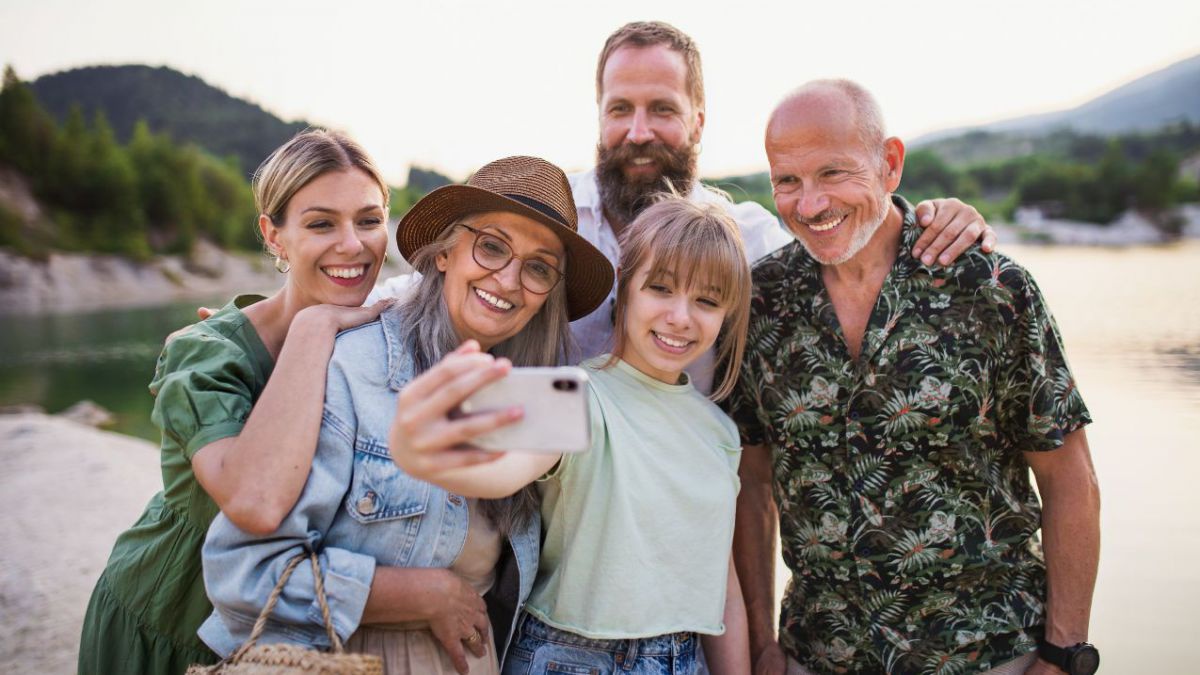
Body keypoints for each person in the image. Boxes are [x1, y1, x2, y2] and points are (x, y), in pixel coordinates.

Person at [373, 21, 997, 392]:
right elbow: (434, 285)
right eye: (621, 109)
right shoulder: (548, 220)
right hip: (539, 514)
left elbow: (846, 243)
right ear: (599, 117)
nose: (638, 131)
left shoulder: (746, 240)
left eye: (663, 109)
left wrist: (932, 215)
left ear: (698, 121)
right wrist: (315, 317)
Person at [728, 80, 1101, 675]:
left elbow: (1070, 480)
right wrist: (760, 644)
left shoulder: (991, 291)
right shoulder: (759, 303)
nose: (810, 203)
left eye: (833, 173)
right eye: (787, 181)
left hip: (992, 653)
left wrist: (1063, 653)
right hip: (819, 654)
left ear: (890, 164)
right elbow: (752, 487)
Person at [198, 156, 616, 675]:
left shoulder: (539, 392)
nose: (508, 279)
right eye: (491, 246)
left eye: (538, 268)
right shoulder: (353, 364)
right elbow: (245, 573)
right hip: (343, 659)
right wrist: (418, 594)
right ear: (444, 253)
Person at [392, 197, 759, 675]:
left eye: (706, 301)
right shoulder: (575, 394)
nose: (680, 316)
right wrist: (416, 451)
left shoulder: (720, 433)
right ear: (626, 289)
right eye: (661, 289)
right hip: (569, 659)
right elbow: (503, 472)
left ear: (727, 314)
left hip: (684, 660)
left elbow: (721, 584)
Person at [77, 129, 395, 674]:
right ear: (275, 236)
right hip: (169, 621)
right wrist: (313, 329)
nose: (353, 244)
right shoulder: (206, 354)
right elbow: (257, 502)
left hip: (294, 634)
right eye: (321, 223)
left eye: (368, 220)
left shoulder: (375, 329)